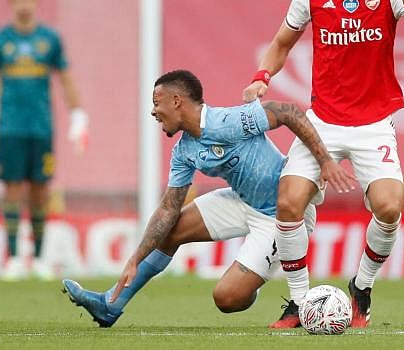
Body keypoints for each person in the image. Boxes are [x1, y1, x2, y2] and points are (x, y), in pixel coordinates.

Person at [243, 0, 404, 328]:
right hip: (322, 121)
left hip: (374, 124)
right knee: (288, 202)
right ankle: (299, 303)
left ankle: (362, 288)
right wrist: (262, 76)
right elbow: (281, 43)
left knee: (390, 208)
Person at [62, 69, 355, 327]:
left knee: (228, 298)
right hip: (241, 201)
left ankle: (259, 275)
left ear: (177, 101)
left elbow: (289, 112)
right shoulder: (183, 151)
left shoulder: (228, 121)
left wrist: (325, 161)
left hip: (281, 213)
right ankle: (111, 305)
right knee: (171, 228)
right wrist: (135, 259)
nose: (153, 112)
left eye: (156, 103)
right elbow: (167, 209)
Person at [0, 0, 88, 280]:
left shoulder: (49, 40)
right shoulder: (0, 41)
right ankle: (15, 257)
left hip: (41, 128)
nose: (24, 4)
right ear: (12, 3)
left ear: (35, 2)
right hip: (9, 129)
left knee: (41, 190)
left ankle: (41, 257)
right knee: (12, 189)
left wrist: (78, 114)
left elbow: (66, 78)